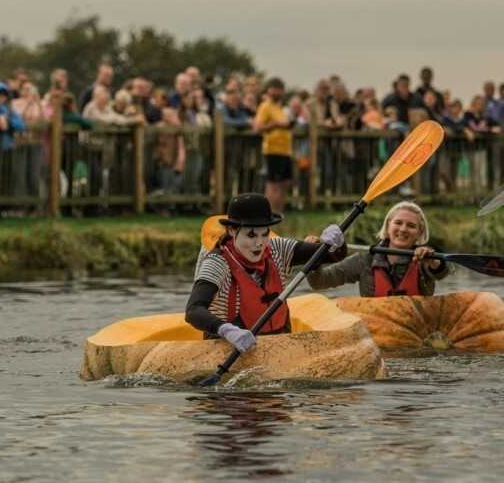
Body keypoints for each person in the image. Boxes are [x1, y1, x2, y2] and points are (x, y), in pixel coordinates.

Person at [185, 193, 346, 352]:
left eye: (265, 234)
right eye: (251, 235)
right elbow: (193, 310)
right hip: (233, 351)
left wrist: (336, 245)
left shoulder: (277, 249)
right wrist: (225, 329)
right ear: (231, 230)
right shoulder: (217, 263)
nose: (259, 243)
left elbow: (331, 256)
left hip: (279, 351)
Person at [307, 201, 450, 297]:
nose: (403, 229)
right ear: (388, 226)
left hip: (414, 335)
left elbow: (440, 271)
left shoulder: (424, 259)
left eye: (411, 226)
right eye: (398, 223)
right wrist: (315, 256)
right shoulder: (365, 260)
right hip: (376, 335)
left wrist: (433, 262)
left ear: (419, 233)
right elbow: (319, 282)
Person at [253, 77, 293, 213]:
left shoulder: (279, 107)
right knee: (273, 184)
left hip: (285, 150)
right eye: (274, 88)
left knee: (285, 183)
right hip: (272, 150)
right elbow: (257, 127)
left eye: (279, 89)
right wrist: (276, 124)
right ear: (268, 90)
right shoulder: (265, 106)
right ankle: (268, 214)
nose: (277, 92)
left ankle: (278, 213)